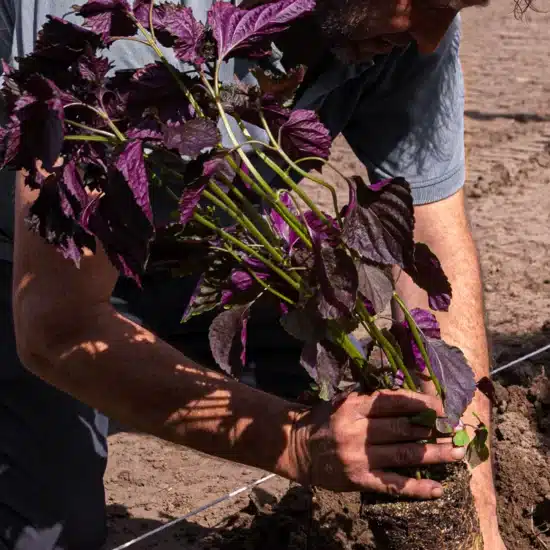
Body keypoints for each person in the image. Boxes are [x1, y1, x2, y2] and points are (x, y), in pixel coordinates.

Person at [0, 0, 508, 548]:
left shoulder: (403, 24)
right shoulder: (136, 37)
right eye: (429, 2)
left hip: (169, 251)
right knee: (51, 535)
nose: (434, 39)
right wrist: (294, 442)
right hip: (33, 265)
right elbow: (57, 325)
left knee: (352, 390)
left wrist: (477, 522)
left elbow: (432, 234)